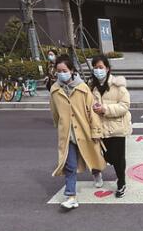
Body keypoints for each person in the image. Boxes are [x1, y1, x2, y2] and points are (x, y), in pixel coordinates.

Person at [49, 54, 106, 209]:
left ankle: (96, 173)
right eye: (59, 71)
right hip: (67, 135)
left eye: (64, 70)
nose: (61, 74)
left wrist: (96, 130)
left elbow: (92, 111)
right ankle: (71, 196)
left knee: (91, 156)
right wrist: (59, 125)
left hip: (84, 131)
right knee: (70, 165)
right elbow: (54, 112)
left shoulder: (82, 88)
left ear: (72, 70)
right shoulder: (54, 90)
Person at [89, 55, 132, 198]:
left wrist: (105, 109)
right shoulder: (91, 86)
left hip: (116, 128)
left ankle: (121, 182)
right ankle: (98, 174)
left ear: (107, 68)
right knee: (107, 156)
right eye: (95, 67)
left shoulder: (118, 85)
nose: (98, 70)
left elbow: (124, 106)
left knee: (118, 158)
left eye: (100, 67)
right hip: (100, 128)